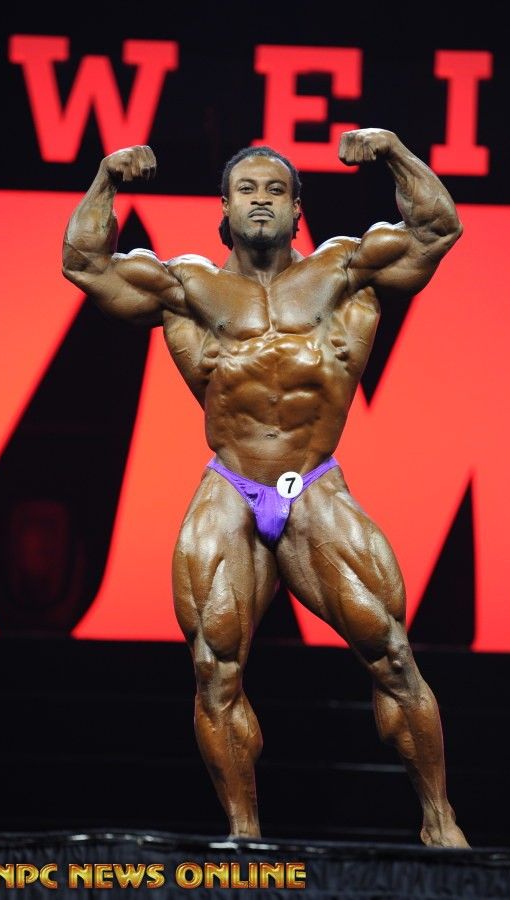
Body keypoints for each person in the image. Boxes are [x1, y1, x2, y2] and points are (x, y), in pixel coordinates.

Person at [62, 128, 469, 847]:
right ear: (223, 208)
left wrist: (394, 151)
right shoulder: (188, 287)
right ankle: (244, 838)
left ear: (296, 208)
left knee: (392, 654)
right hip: (232, 486)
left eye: (276, 190)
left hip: (312, 483)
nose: (261, 200)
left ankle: (440, 822)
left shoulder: (345, 270)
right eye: (246, 190)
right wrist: (105, 179)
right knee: (214, 670)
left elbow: (438, 229)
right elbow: (84, 263)